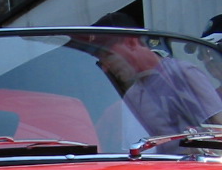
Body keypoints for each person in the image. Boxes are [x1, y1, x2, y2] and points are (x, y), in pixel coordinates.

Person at [91, 12, 222, 136]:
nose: (105, 68)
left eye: (108, 55)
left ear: (131, 43)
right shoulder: (132, 96)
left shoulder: (180, 74)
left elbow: (219, 130)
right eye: (100, 61)